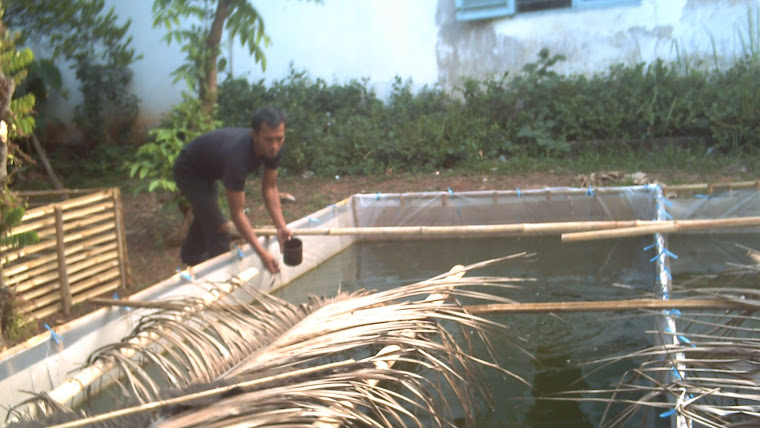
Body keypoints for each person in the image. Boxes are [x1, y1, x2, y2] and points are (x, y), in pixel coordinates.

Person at [172, 106, 292, 273]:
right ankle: (220, 279)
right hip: (189, 170)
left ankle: (190, 258)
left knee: (206, 215)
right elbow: (237, 213)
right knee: (220, 229)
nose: (275, 146)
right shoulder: (238, 156)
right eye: (269, 140)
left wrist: (281, 227)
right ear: (254, 135)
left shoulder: (275, 149)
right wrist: (262, 253)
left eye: (279, 138)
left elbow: (270, 188)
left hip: (209, 169)